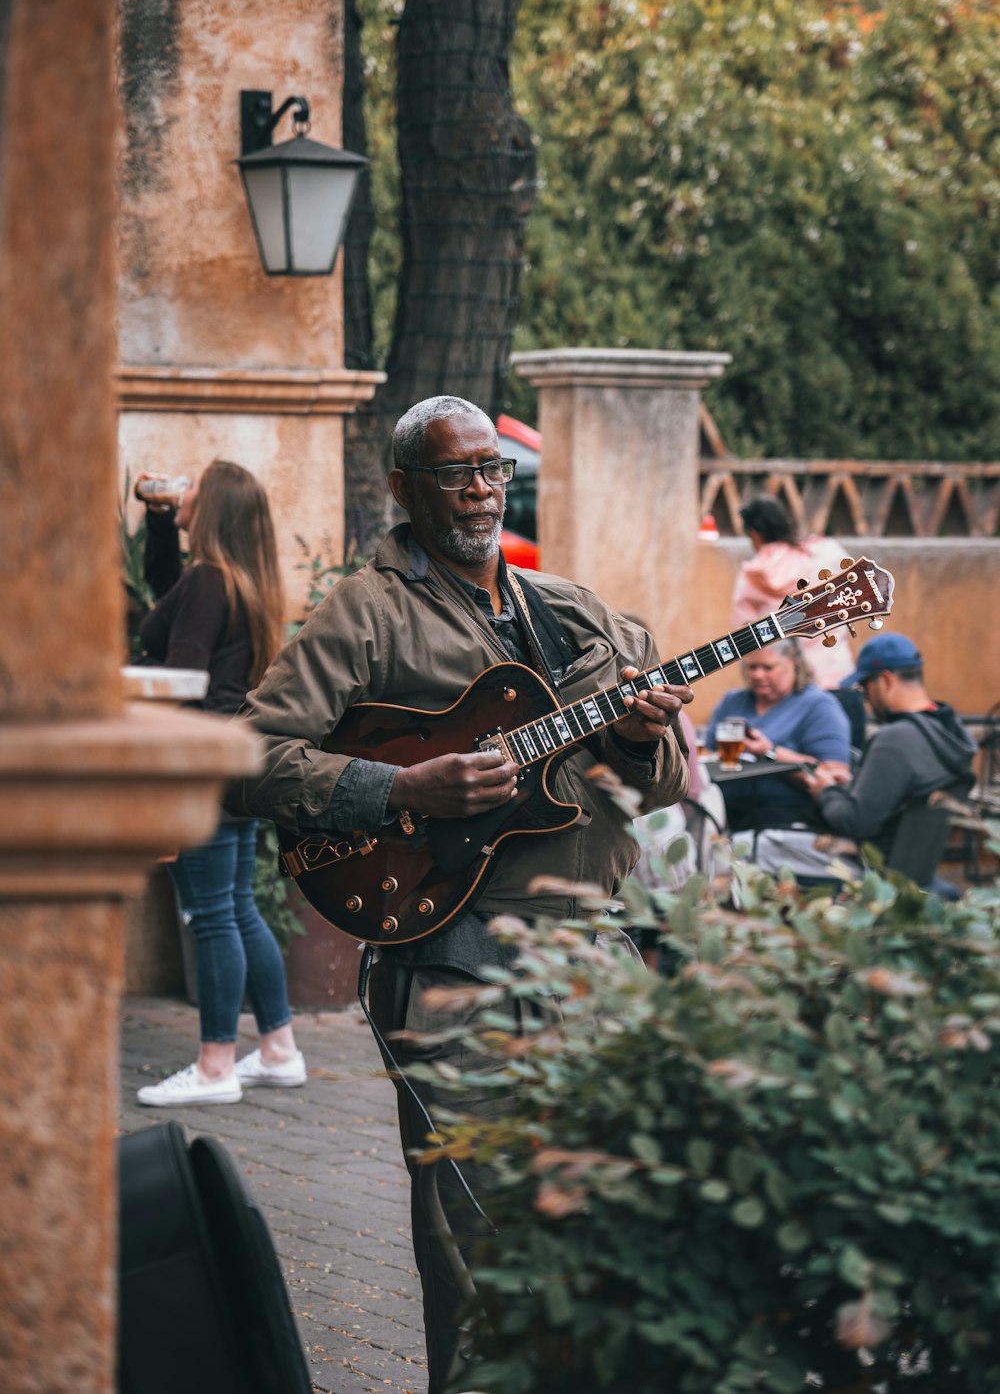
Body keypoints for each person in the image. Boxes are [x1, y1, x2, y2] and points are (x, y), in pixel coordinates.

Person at [226, 396, 693, 1391]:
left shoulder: (571, 612)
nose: (481, 489)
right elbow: (250, 757)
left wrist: (641, 736)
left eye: (492, 470)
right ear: (404, 486)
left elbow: (652, 789)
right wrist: (396, 786)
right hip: (453, 964)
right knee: (478, 1243)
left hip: (593, 966)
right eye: (454, 473)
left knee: (604, 1235)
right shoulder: (369, 607)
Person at [133, 459, 307, 1106]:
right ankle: (279, 1049)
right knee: (234, 908)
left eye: (195, 487)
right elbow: (167, 596)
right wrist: (156, 519)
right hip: (232, 762)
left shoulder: (211, 581)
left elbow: (183, 682)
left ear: (214, 510)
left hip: (198, 769)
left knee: (210, 916)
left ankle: (214, 1068)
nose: (185, 490)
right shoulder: (235, 582)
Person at [799, 632, 976, 876]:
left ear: (885, 681)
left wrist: (827, 791)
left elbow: (855, 821)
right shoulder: (949, 731)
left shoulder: (895, 739)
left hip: (875, 873)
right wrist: (854, 786)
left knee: (765, 846)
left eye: (864, 689)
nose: (866, 702)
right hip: (917, 871)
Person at [706, 638, 852, 836]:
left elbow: (834, 776)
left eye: (768, 667)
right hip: (722, 815)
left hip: (784, 822)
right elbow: (707, 754)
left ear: (793, 660)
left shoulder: (819, 707)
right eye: (751, 667)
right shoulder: (733, 701)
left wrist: (770, 752)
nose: (757, 675)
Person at [734, 494, 855, 689]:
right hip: (838, 675)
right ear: (787, 523)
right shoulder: (827, 553)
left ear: (755, 534)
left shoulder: (752, 574)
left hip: (789, 687)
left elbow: (745, 638)